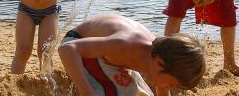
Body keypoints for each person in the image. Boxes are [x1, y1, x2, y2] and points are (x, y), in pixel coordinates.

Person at [58, 14, 206, 96]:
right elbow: (67, 49)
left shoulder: (158, 57)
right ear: (160, 63)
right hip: (79, 42)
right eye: (171, 84)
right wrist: (86, 91)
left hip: (109, 56)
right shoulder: (125, 44)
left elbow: (162, 89)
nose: (168, 87)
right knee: (121, 92)